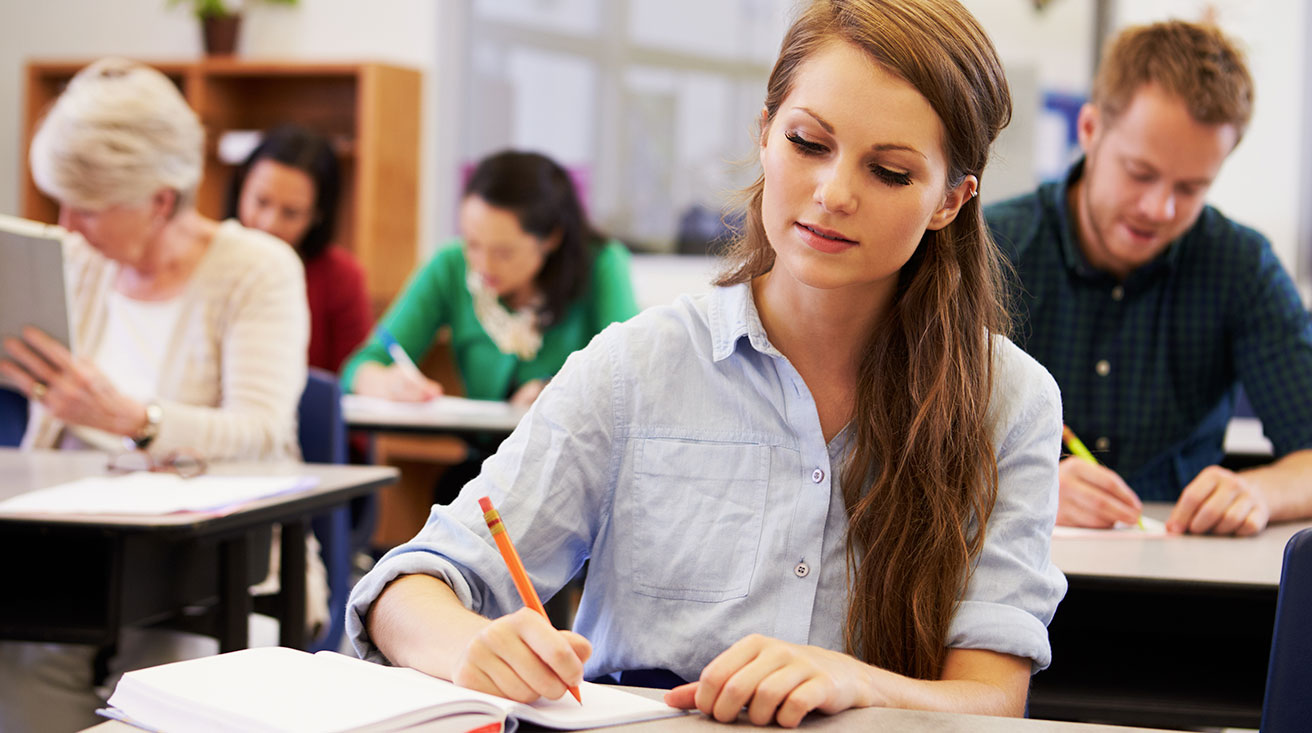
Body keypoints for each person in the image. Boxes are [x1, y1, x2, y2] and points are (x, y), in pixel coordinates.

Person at [347, 0, 1066, 726]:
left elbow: (992, 698)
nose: (833, 193)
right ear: (764, 132)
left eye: (888, 171)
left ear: (951, 200)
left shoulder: (1008, 400)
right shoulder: (639, 365)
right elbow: (406, 588)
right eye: (808, 142)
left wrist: (855, 681)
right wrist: (474, 644)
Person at [0, 57, 320, 733]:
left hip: (211, 571)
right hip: (75, 561)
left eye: (87, 206)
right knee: (19, 663)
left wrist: (135, 420)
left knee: (159, 688)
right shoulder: (80, 261)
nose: (69, 222)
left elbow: (262, 431)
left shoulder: (257, 269)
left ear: (160, 198)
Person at [985, 20, 1312, 536]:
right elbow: (898, 439)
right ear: (1089, 130)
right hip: (1012, 564)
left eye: (1191, 187)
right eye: (1139, 172)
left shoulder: (1242, 267)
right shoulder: (989, 250)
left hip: (1177, 580)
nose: (1158, 209)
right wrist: (1017, 481)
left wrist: (1257, 491)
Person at [341, 149, 638, 410]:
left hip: (573, 462)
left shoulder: (602, 263)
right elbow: (359, 367)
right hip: (484, 461)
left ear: (551, 238)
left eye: (504, 252)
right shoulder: (451, 264)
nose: (483, 265)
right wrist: (386, 383)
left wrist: (557, 392)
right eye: (472, 244)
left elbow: (629, 375)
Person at [225, 123, 372, 374]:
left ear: (316, 216)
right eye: (261, 201)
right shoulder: (206, 255)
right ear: (241, 187)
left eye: (291, 213)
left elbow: (352, 374)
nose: (268, 224)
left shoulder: (341, 277)